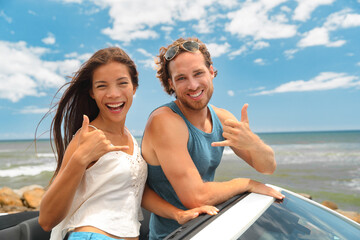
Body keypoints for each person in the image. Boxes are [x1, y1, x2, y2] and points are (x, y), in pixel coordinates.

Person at [38, 47, 218, 240]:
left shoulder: (130, 138)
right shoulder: (87, 137)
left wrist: (176, 214)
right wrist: (79, 159)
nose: (114, 94)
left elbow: (136, 189)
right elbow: (47, 220)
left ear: (134, 87)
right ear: (91, 92)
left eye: (122, 83)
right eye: (102, 86)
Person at [141, 37, 286, 239]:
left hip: (211, 225)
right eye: (181, 78)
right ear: (171, 84)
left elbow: (267, 167)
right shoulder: (165, 122)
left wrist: (254, 144)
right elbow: (196, 197)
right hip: (176, 235)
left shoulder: (222, 117)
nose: (192, 85)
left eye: (198, 73)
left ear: (211, 72)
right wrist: (247, 183)